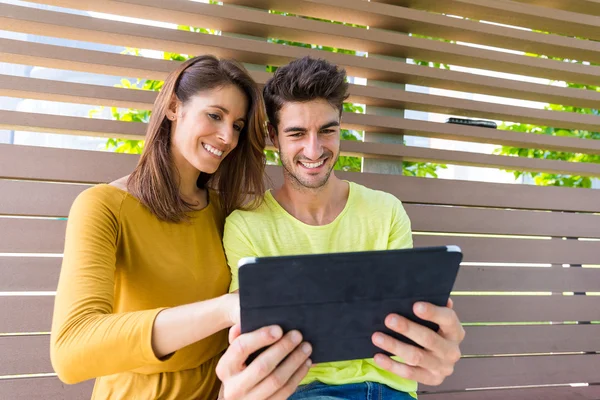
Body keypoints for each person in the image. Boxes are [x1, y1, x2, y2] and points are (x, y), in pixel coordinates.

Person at [50, 55, 311, 400]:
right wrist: (225, 307)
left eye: (236, 125)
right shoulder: (103, 206)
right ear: (174, 107)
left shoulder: (228, 213)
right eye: (215, 115)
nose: (226, 137)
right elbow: (71, 350)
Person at [222, 56, 465, 399]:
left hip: (390, 389)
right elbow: (251, 338)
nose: (314, 149)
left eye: (327, 130)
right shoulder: (246, 225)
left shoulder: (386, 210)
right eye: (296, 133)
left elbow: (406, 323)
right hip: (303, 390)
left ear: (340, 127)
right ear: (273, 137)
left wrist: (430, 339)